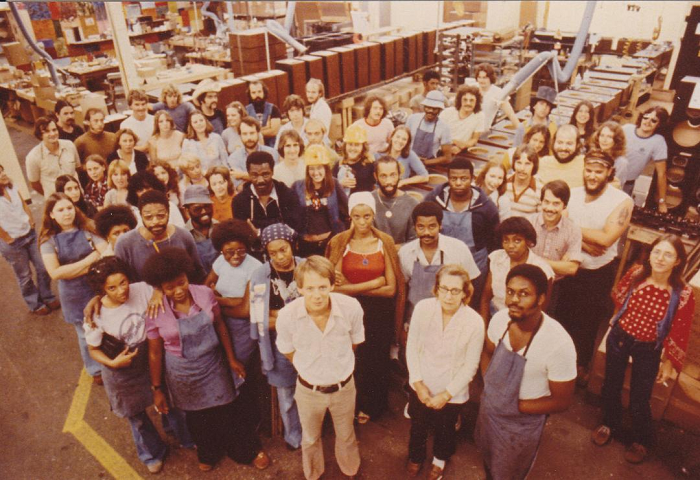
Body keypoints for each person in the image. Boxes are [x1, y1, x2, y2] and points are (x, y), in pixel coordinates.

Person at [144, 247, 270, 472]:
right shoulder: (155, 311)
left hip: (212, 363)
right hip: (182, 371)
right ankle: (208, 452)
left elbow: (220, 325)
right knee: (196, 416)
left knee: (228, 407)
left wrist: (231, 359)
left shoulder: (204, 293)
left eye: (181, 283)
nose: (178, 290)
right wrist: (157, 388)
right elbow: (154, 352)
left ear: (187, 276)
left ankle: (246, 451)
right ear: (160, 287)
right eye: (170, 287)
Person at [592, 235, 695, 464]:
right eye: (656, 252)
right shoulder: (636, 274)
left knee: (640, 395)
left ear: (678, 261)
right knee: (612, 384)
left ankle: (641, 439)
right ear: (650, 254)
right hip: (620, 339)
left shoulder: (682, 293)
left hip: (648, 348)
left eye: (668, 254)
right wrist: (614, 324)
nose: (660, 258)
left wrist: (668, 362)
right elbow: (619, 299)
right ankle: (609, 423)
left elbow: (680, 330)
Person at [476, 264, 577, 480]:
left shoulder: (558, 344)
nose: (514, 299)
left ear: (541, 299)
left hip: (521, 425)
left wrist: (516, 405)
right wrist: (488, 383)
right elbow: (487, 351)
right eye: (510, 292)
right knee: (488, 461)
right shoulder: (499, 320)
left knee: (509, 472)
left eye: (524, 294)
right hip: (490, 413)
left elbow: (562, 401)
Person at [275, 256, 364, 480]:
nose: (317, 295)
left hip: (344, 388)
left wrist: (336, 365)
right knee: (310, 437)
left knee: (346, 434)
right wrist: (309, 368)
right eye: (310, 288)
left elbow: (354, 342)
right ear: (300, 288)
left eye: (323, 287)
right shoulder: (287, 316)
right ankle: (313, 474)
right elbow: (287, 350)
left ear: (332, 285)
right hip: (308, 391)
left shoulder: (351, 308)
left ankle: (350, 470)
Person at [83, 257, 169, 473]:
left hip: (151, 357)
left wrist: (158, 292)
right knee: (137, 417)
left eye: (123, 282)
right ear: (101, 290)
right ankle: (151, 454)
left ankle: (179, 433)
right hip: (123, 371)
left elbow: (162, 286)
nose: (121, 290)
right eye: (111, 288)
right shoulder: (96, 314)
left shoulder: (142, 289)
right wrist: (112, 362)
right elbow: (93, 349)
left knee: (167, 399)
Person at [326, 192, 405, 423]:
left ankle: (373, 406)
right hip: (348, 310)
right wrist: (374, 283)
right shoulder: (340, 242)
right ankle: (349, 405)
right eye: (357, 216)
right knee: (351, 356)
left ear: (373, 215)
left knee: (376, 358)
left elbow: (391, 289)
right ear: (350, 216)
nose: (362, 222)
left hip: (379, 312)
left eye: (367, 216)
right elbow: (333, 288)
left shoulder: (384, 242)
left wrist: (351, 287)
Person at [557, 149, 632, 381]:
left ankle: (580, 369)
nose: (592, 176)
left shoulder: (621, 201)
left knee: (587, 325)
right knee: (560, 319)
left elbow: (607, 239)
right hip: (568, 268)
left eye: (598, 172)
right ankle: (557, 366)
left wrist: (572, 228)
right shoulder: (572, 194)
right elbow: (557, 224)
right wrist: (585, 243)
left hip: (597, 273)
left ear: (609, 172)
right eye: (588, 170)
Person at [406, 265, 484, 479]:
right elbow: (412, 347)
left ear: (465, 293)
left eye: (455, 290)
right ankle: (416, 456)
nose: (448, 296)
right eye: (444, 289)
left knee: (445, 429)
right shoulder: (423, 308)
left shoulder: (475, 322)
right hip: (421, 384)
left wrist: (446, 395)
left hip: (452, 390)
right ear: (436, 289)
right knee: (418, 425)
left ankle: (440, 459)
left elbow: (470, 366)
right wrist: (418, 384)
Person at [39, 193, 106, 383]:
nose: (67, 213)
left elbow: (105, 251)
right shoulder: (48, 241)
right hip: (74, 295)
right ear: (51, 214)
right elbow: (55, 273)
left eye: (69, 208)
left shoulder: (88, 228)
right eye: (60, 210)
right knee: (85, 334)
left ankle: (109, 361)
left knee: (106, 325)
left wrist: (71, 270)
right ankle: (95, 369)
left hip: (97, 288)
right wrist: (91, 260)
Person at [250, 224, 304, 451]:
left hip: (308, 341)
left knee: (312, 388)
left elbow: (317, 307)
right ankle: (294, 436)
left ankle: (313, 431)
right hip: (278, 345)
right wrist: (294, 314)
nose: (280, 257)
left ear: (292, 245)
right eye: (273, 253)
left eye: (284, 250)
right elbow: (259, 318)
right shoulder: (260, 275)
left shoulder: (306, 266)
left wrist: (276, 314)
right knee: (287, 394)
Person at [425, 157, 499, 303]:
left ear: (472, 179)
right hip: (442, 260)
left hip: (475, 262)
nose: (458, 183)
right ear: (448, 178)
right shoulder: (434, 199)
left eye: (464, 178)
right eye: (454, 178)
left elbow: (494, 241)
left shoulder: (487, 207)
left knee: (470, 301)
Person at [398, 201, 480, 327]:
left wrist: (464, 323)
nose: (426, 232)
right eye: (421, 227)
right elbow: (402, 291)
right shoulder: (405, 252)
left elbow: (470, 289)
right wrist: (402, 325)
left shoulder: (459, 248)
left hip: (452, 321)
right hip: (416, 320)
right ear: (414, 227)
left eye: (432, 226)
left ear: (440, 225)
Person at [0, 164, 58, 315]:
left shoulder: (11, 187)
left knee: (43, 266)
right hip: (12, 242)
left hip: (29, 234)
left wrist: (31, 220)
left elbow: (24, 204)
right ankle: (35, 304)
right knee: (25, 275)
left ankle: (47, 296)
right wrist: (7, 237)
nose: (3, 174)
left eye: (2, 171)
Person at [115, 190, 204, 283]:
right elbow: (121, 281)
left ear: (168, 213)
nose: (155, 222)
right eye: (148, 217)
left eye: (161, 216)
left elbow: (198, 273)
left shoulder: (183, 236)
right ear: (141, 216)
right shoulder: (125, 243)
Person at [480, 217, 554, 319]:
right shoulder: (496, 258)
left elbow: (540, 311)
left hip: (525, 321)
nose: (510, 245)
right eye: (506, 240)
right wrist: (484, 326)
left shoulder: (542, 269)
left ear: (528, 241)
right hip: (496, 316)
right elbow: (485, 299)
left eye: (517, 240)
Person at [527, 180, 582, 308]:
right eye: (546, 202)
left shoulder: (573, 230)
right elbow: (519, 257)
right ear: (541, 202)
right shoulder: (528, 223)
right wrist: (559, 265)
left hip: (555, 286)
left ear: (564, 206)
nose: (550, 208)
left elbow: (571, 268)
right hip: (527, 280)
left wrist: (533, 258)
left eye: (556, 203)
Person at [232, 151, 302, 246]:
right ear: (248, 174)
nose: (260, 180)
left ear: (273, 172)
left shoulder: (288, 195)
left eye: (265, 174)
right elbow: (243, 235)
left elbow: (295, 230)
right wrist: (279, 225)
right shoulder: (239, 201)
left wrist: (258, 232)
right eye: (254, 175)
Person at [292, 145, 348, 257]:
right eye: (312, 168)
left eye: (319, 168)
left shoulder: (334, 184)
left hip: (330, 241)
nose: (316, 172)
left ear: (326, 168)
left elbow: (346, 211)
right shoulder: (297, 186)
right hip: (306, 244)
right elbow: (290, 214)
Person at [621, 106, 669, 210]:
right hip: (608, 178)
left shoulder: (658, 141)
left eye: (653, 120)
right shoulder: (626, 129)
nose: (647, 122)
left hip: (627, 185)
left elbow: (662, 174)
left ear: (659, 124)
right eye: (645, 118)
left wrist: (662, 202)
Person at [25, 116, 80, 197]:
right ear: (40, 135)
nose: (52, 134)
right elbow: (34, 184)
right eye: (47, 131)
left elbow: (78, 168)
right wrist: (52, 196)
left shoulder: (70, 145)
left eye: (54, 130)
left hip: (76, 196)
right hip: (57, 201)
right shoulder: (33, 157)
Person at [371, 155, 419, 246]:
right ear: (375, 176)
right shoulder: (367, 201)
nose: (389, 181)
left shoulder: (412, 204)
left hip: (403, 253)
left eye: (393, 175)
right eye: (383, 176)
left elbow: (415, 240)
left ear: (399, 175)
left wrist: (394, 249)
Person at [405, 90, 453, 166]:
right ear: (424, 107)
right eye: (428, 107)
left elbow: (447, 158)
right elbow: (403, 143)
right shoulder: (412, 119)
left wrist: (425, 163)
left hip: (429, 165)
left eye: (434, 109)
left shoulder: (444, 128)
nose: (430, 111)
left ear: (439, 110)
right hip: (408, 160)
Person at [226, 117, 278, 186]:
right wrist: (264, 177)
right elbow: (240, 187)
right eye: (245, 134)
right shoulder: (234, 158)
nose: (249, 138)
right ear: (240, 135)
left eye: (252, 133)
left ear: (258, 133)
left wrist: (242, 175)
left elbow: (275, 179)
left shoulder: (272, 153)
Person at [439, 84, 485, 155]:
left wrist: (461, 147)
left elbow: (474, 139)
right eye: (465, 100)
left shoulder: (479, 116)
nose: (468, 103)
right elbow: (437, 136)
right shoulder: (447, 113)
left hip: (462, 151)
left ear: (477, 102)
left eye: (471, 100)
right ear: (460, 100)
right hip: (441, 150)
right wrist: (454, 142)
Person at [183, 185, 219, 274]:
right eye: (197, 209)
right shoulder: (183, 236)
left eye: (207, 206)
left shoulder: (220, 227)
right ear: (187, 211)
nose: (204, 211)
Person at [473, 62, 519, 131]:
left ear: (490, 78)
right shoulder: (472, 88)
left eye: (485, 77)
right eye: (479, 77)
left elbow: (511, 114)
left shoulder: (498, 93)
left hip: (483, 132)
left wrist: (521, 131)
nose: (481, 80)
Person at [334, 124, 376, 195]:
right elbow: (330, 187)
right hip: (345, 201)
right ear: (345, 145)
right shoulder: (339, 164)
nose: (353, 148)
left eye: (357, 145)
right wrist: (340, 184)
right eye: (350, 144)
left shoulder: (370, 164)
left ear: (363, 147)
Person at [504, 145, 543, 217]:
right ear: (513, 164)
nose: (522, 168)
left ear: (534, 166)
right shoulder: (503, 182)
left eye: (527, 164)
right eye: (519, 163)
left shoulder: (540, 190)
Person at [590, 121, 629, 186]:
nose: (604, 140)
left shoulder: (621, 162)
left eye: (609, 137)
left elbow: (616, 186)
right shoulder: (592, 155)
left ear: (617, 140)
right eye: (602, 135)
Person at [246, 80, 281, 147]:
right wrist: (267, 128)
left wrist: (254, 132)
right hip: (254, 147)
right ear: (249, 94)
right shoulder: (246, 111)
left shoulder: (273, 109)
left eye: (259, 91)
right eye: (253, 92)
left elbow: (274, 131)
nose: (257, 95)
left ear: (264, 92)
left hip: (272, 146)